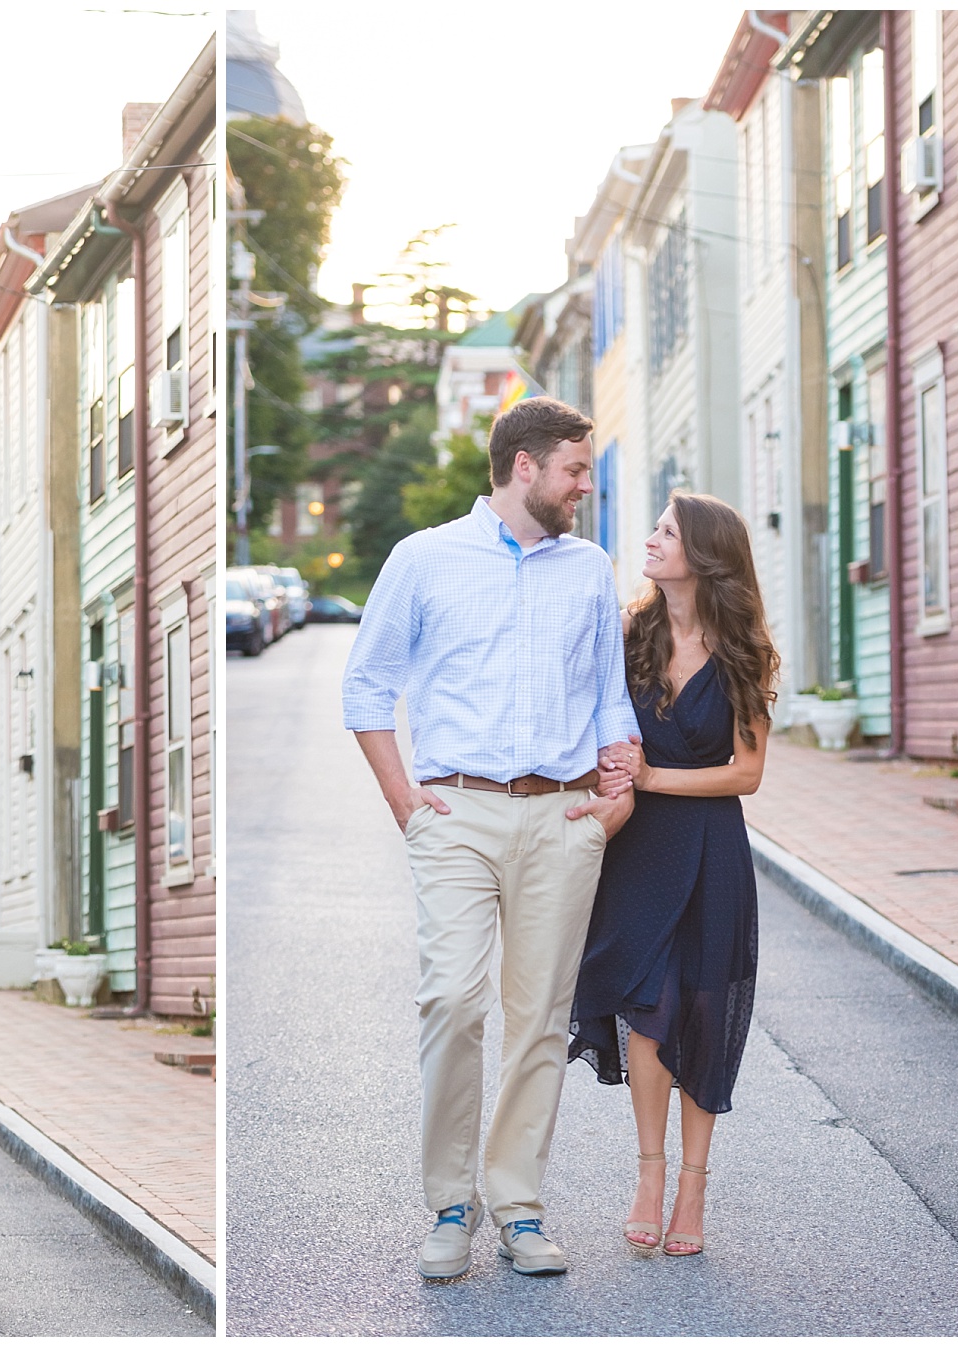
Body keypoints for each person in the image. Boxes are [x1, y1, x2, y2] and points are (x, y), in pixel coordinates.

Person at [342, 396, 638, 1280]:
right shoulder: (425, 559)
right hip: (456, 812)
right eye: (576, 470)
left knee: (541, 1017)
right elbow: (367, 688)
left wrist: (615, 797)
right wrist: (406, 803)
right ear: (525, 467)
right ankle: (449, 1204)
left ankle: (518, 1204)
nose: (587, 486)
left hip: (563, 815)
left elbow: (609, 698)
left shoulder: (589, 568)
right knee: (453, 1001)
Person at [568, 491, 780, 1259]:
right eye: (655, 528)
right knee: (647, 1010)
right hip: (640, 851)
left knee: (699, 1008)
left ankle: (695, 1182)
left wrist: (653, 776)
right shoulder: (631, 636)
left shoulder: (745, 648)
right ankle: (650, 1175)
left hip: (712, 848)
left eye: (666, 531)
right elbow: (595, 724)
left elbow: (747, 772)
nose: (651, 540)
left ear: (704, 554)